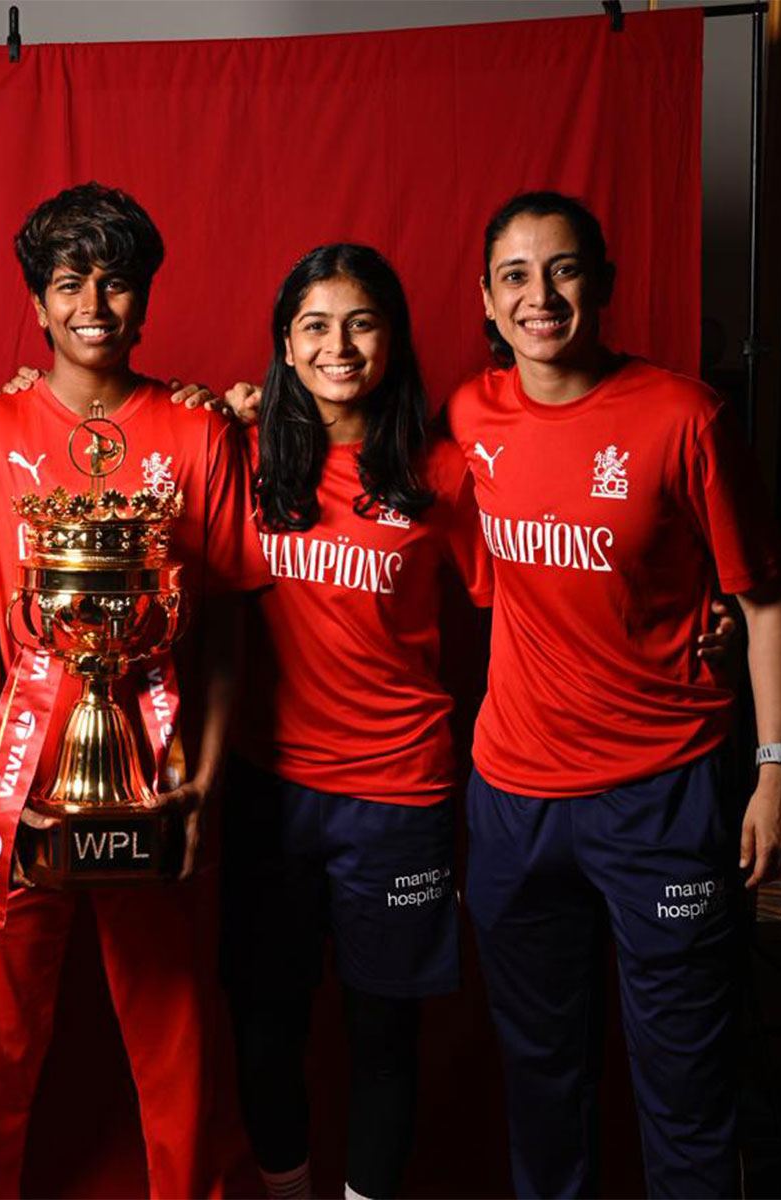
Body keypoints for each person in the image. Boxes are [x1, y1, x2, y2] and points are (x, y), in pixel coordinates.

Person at [449, 191, 781, 1198]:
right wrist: (242, 407)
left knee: (687, 1091)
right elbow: (353, 451)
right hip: (512, 800)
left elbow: (763, 601)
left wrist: (777, 771)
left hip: (661, 795)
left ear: (599, 284)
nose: (538, 294)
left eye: (561, 269)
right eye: (514, 275)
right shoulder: (470, 415)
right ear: (486, 297)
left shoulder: (683, 417)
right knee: (541, 1081)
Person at [0, 182, 266, 1198]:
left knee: (176, 1033)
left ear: (144, 298)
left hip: (156, 771)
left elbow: (227, 628)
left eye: (115, 285)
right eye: (69, 284)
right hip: (16, 777)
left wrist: (202, 784)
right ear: (36, 303)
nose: (93, 306)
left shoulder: (199, 433)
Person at [222, 244, 489, 1200]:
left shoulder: (446, 473)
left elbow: (546, 587)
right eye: (317, 326)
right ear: (285, 347)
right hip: (268, 785)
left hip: (397, 793)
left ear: (394, 339)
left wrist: (691, 622)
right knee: (265, 1024)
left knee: (383, 1036)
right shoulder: (238, 458)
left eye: (362, 322)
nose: (340, 346)